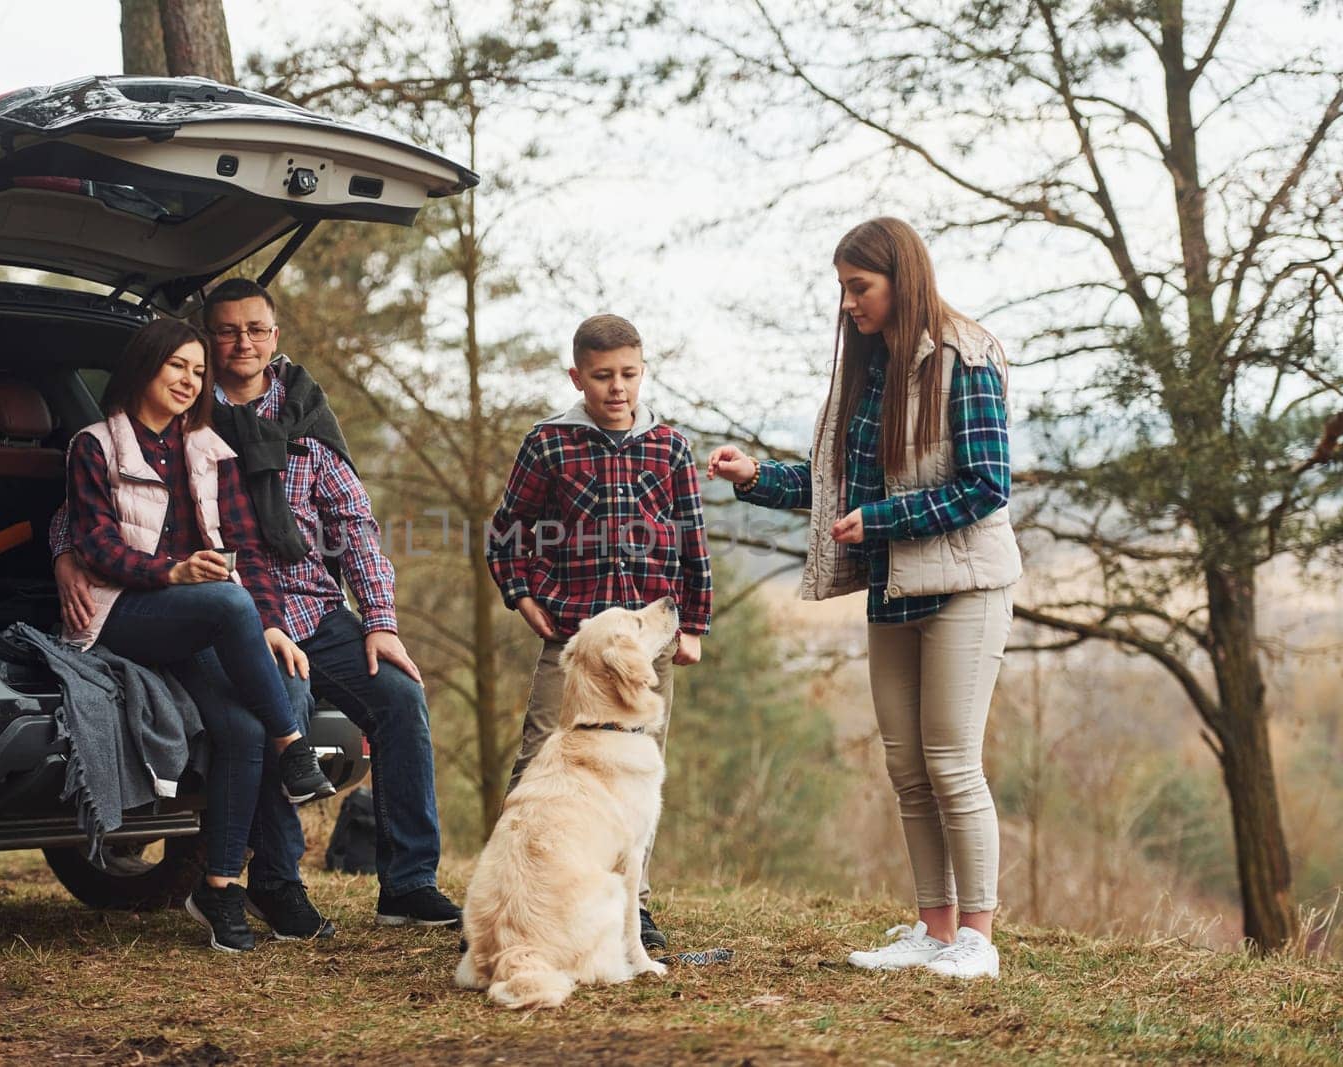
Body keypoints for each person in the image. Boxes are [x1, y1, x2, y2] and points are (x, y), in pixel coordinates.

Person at [54, 279, 460, 939]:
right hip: (230, 606)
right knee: (281, 710)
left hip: (311, 605)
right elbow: (102, 505)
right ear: (206, 343)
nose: (243, 342)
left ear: (275, 338)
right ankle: (277, 884)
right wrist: (65, 554)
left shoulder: (304, 416)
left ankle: (409, 883)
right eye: (226, 331)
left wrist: (380, 621)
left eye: (257, 329)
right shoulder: (184, 415)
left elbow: (356, 528)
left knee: (400, 697)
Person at [708, 217, 1019, 980]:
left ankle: (978, 938)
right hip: (896, 585)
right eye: (842, 289)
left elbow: (986, 487)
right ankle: (933, 930)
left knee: (951, 760)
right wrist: (754, 477)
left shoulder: (965, 357)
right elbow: (833, 493)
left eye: (860, 288)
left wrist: (880, 520)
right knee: (908, 768)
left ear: (900, 279)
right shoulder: (871, 370)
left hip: (966, 588)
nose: (847, 303)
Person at [61, 318, 335, 954]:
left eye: (195, 370)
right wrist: (172, 571)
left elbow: (247, 552)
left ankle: (218, 887)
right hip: (123, 612)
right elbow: (95, 543)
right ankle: (294, 747)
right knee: (222, 600)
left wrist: (270, 623)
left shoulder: (210, 449)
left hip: (202, 618)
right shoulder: (95, 445)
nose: (188, 380)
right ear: (144, 370)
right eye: (175, 367)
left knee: (241, 725)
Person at [486, 313, 712, 953]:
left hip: (647, 645)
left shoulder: (668, 446)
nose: (618, 389)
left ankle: (630, 908)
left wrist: (692, 623)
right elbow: (509, 527)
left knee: (636, 776)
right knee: (541, 758)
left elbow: (692, 540)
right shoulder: (549, 444)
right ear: (576, 376)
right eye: (603, 376)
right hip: (575, 641)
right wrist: (521, 591)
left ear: (643, 373)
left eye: (629, 375)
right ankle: (520, 890)